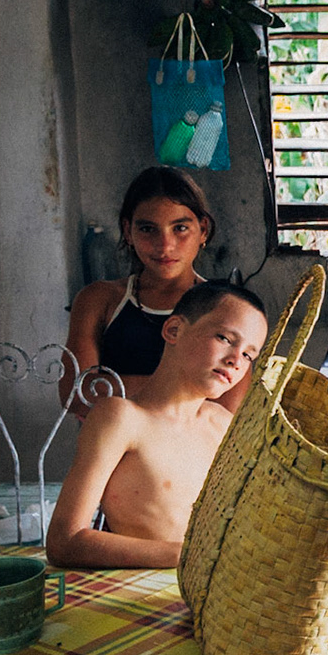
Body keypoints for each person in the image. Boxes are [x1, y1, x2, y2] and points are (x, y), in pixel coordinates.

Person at [46, 281, 267, 570]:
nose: (236, 360)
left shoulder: (222, 425)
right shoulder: (121, 419)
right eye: (225, 338)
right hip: (145, 591)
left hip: (216, 592)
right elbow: (65, 541)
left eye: (249, 354)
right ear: (173, 330)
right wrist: (188, 556)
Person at [64, 168, 251, 412]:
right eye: (147, 229)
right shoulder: (98, 300)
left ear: (203, 230)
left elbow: (228, 409)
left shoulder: (228, 308)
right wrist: (193, 390)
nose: (165, 245)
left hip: (198, 451)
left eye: (180, 228)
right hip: (113, 449)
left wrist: (115, 386)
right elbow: (77, 397)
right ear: (128, 231)